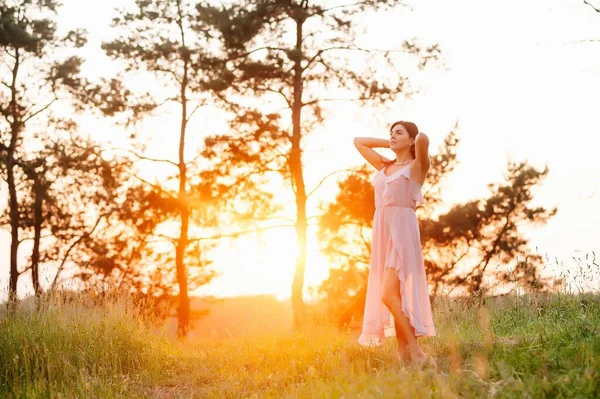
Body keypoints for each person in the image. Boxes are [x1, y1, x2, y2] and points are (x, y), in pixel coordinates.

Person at [353, 120, 437, 368]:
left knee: (388, 295)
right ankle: (404, 353)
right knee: (395, 295)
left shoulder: (416, 168)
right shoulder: (385, 165)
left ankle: (416, 351)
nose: (392, 135)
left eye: (398, 133)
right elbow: (359, 142)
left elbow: (423, 138)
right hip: (383, 232)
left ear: (410, 140)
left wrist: (413, 139)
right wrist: (390, 143)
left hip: (402, 232)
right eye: (391, 132)